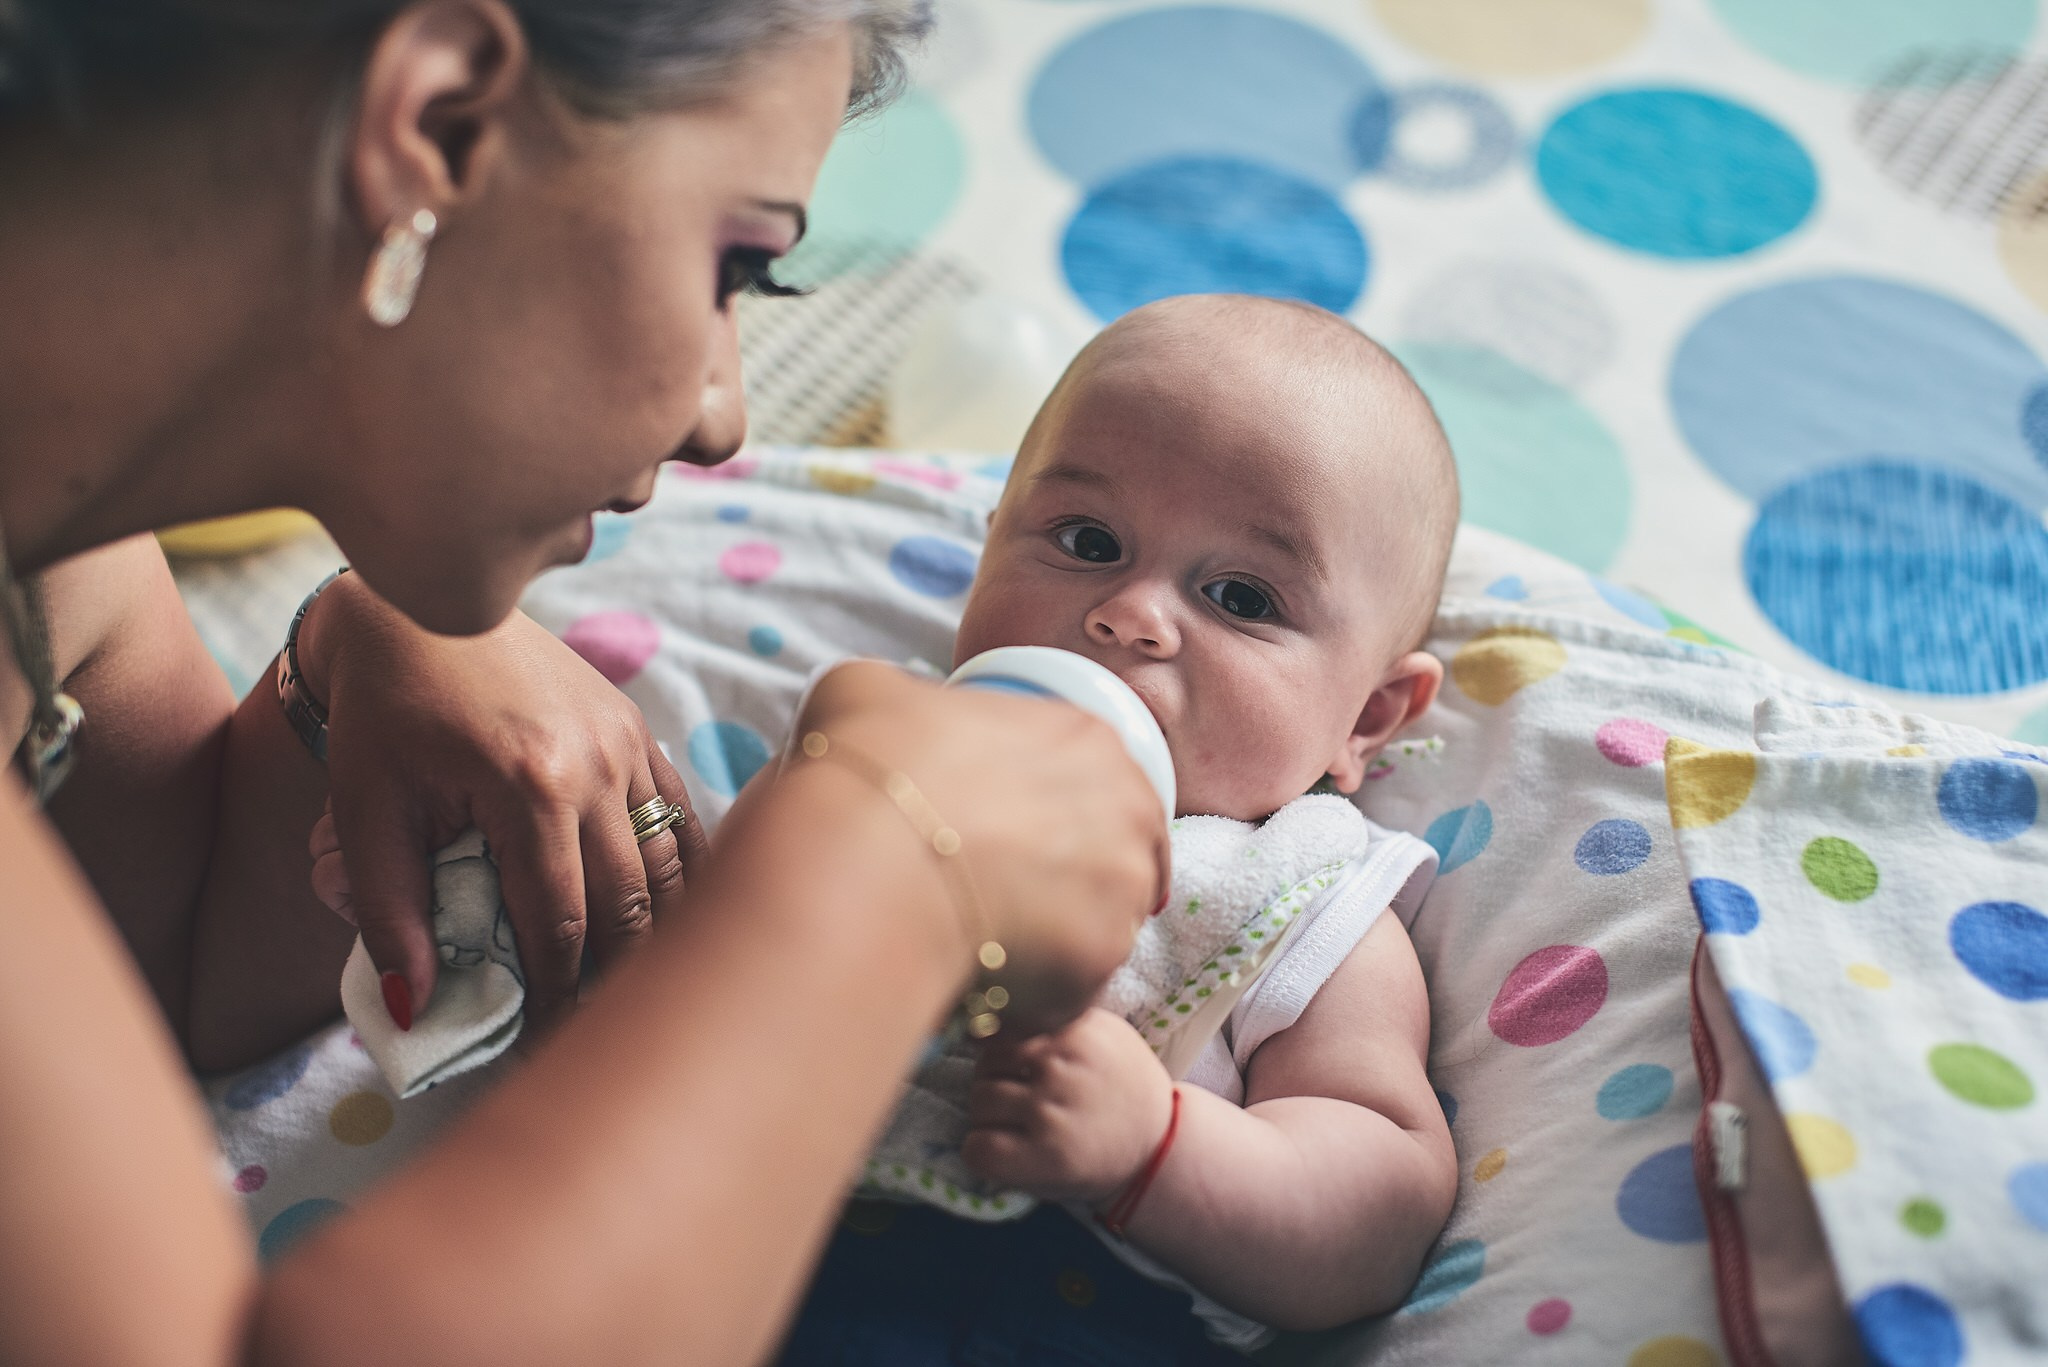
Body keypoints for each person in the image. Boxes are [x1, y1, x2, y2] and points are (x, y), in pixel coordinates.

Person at [0, 3, 1168, 1364]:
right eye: (740, 262)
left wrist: (342, 676)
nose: (722, 414)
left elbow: (144, 968)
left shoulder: (56, 556)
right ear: (436, 125)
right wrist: (888, 874)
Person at [782, 295, 1463, 1363]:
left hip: (1061, 1308)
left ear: (1364, 718)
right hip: (743, 1257)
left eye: (1238, 594)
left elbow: (1383, 1199)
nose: (1130, 613)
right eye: (1085, 540)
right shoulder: (887, 743)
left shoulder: (1298, 885)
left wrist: (1156, 1144)